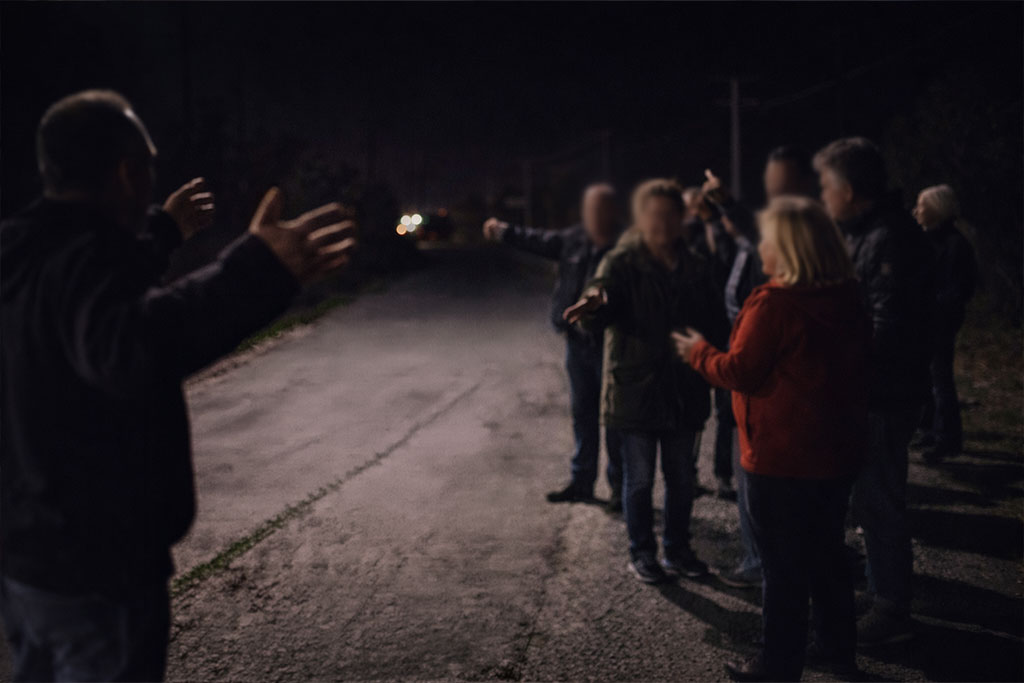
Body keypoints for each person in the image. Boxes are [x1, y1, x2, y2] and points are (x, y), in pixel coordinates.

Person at [0, 90, 356, 682]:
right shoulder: (80, 259)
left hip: (27, 559)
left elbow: (84, 305)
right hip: (97, 570)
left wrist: (162, 234)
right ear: (126, 172)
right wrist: (258, 269)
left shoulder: (21, 250)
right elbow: (129, 345)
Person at [674, 196, 870, 682]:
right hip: (834, 450)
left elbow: (740, 370)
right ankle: (835, 648)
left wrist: (698, 353)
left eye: (766, 236)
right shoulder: (847, 294)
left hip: (780, 456)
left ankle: (778, 664)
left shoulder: (775, 303)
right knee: (826, 554)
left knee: (782, 568)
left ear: (787, 246)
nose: (759, 243)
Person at [564, 178, 727, 584]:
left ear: (681, 218)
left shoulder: (696, 266)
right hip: (635, 391)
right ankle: (642, 553)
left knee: (683, 480)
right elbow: (601, 295)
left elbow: (714, 323)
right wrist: (595, 304)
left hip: (684, 391)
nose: (663, 223)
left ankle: (678, 550)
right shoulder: (622, 263)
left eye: (671, 215)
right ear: (642, 218)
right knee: (638, 482)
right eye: (655, 215)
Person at [814, 136, 934, 647]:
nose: (822, 195)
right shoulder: (868, 231)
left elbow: (887, 325)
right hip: (871, 389)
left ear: (847, 188)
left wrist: (835, 365)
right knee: (868, 499)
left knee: (879, 498)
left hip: (882, 394)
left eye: (825, 185)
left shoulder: (889, 237)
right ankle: (883, 592)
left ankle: (891, 611)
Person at [482, 184, 624, 510]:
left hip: (611, 344)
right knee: (582, 413)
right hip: (577, 342)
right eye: (590, 207)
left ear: (612, 211)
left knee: (614, 418)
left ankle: (620, 488)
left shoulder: (624, 246)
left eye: (600, 207)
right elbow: (537, 240)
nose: (594, 214)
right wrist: (503, 231)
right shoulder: (573, 238)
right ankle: (581, 482)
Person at [912, 184, 977, 463]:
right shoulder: (930, 240)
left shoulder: (953, 244)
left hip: (939, 321)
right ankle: (931, 428)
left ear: (937, 208)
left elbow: (958, 289)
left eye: (922, 205)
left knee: (940, 378)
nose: (917, 210)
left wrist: (933, 308)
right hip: (928, 320)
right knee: (926, 377)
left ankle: (947, 438)